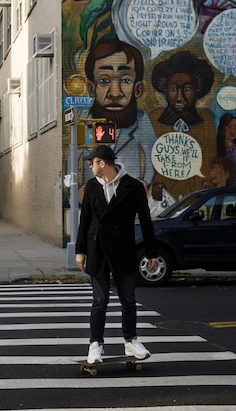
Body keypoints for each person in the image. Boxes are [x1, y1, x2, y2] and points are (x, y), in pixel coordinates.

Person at [75, 144, 159, 364]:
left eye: (92, 162)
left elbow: (146, 220)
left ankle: (131, 341)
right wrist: (80, 251)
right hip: (98, 250)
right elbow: (85, 221)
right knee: (100, 301)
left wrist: (152, 252)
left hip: (123, 250)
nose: (90, 166)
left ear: (102, 163)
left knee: (128, 300)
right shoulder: (92, 187)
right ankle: (95, 345)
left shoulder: (133, 187)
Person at [85, 39, 156, 186]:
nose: (115, 93)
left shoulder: (141, 119)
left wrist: (145, 182)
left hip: (127, 192)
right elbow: (74, 157)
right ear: (92, 88)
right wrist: (75, 190)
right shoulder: (85, 119)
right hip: (96, 191)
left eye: (126, 80)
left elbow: (152, 155)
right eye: (104, 80)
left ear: (138, 89)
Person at [150, 51, 216, 198]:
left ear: (197, 90)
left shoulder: (205, 118)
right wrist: (155, 183)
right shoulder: (155, 118)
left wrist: (206, 180)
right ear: (165, 90)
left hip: (195, 189)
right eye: (173, 89)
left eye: (187, 89)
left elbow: (209, 153)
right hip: (164, 190)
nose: (179, 96)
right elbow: (149, 155)